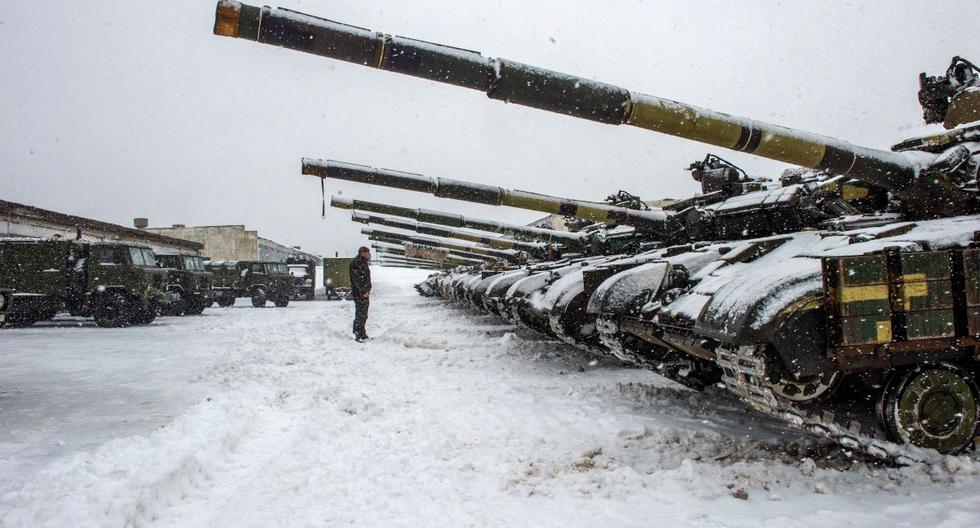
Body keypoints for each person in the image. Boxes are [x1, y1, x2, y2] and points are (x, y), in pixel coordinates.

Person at [349, 246, 372, 342]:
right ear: (363, 253)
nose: (369, 255)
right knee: (360, 314)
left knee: (364, 314)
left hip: (364, 293)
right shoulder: (356, 263)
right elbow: (356, 280)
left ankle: (363, 334)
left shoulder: (363, 263)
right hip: (359, 293)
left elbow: (366, 278)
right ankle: (358, 334)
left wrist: (367, 290)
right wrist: (363, 291)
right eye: (368, 253)